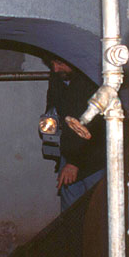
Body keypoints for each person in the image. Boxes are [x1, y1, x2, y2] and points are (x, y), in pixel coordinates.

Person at [45, 55, 105, 211]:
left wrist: (75, 163)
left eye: (59, 63)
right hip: (70, 155)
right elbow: (53, 108)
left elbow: (99, 127)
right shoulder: (58, 79)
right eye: (52, 64)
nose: (55, 69)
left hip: (95, 160)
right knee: (71, 212)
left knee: (97, 210)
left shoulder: (92, 79)